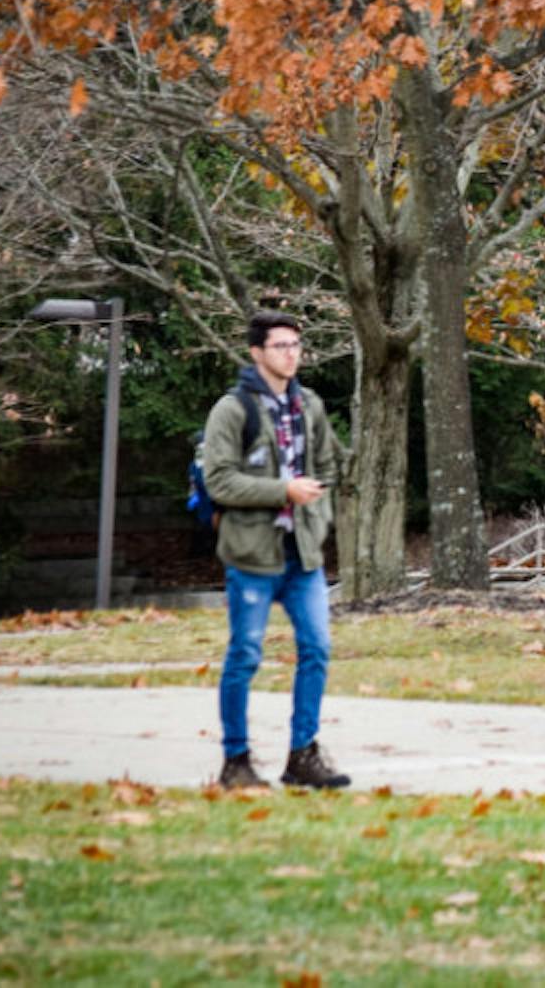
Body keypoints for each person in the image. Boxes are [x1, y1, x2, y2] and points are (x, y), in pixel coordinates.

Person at [201, 310, 350, 790]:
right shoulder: (232, 410)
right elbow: (219, 481)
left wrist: (317, 509)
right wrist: (282, 491)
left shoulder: (308, 404)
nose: (292, 354)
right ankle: (236, 760)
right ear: (257, 353)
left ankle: (303, 754)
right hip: (251, 554)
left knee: (318, 648)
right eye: (281, 346)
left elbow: (327, 463)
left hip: (302, 555)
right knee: (245, 654)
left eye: (296, 346)